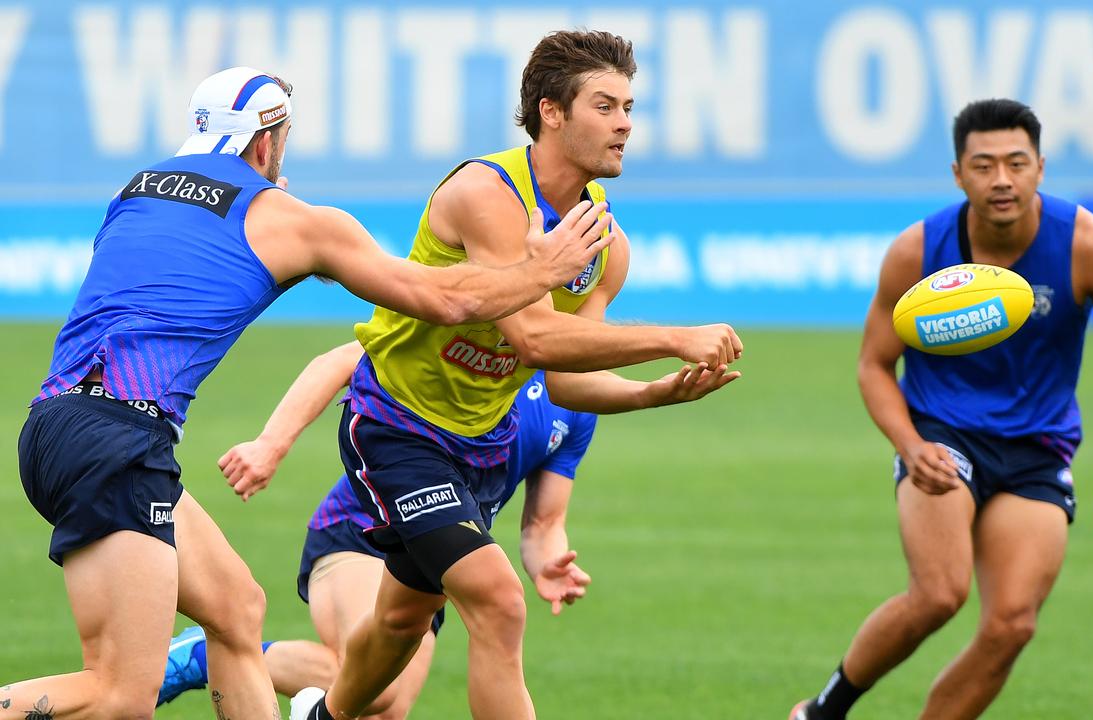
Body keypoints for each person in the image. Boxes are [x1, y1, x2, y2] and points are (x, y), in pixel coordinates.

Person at [3, 65, 612, 720]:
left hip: (56, 426)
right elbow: (443, 299)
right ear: (267, 144)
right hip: (117, 439)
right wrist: (542, 270)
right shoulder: (292, 220)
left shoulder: (139, 189)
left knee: (236, 611)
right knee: (121, 697)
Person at [290, 30, 743, 720]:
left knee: (401, 623)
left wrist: (655, 394)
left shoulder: (605, 242)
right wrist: (674, 337)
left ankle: (323, 717)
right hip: (397, 428)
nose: (625, 123)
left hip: (482, 446)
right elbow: (532, 336)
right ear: (551, 111)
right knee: (499, 602)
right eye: (605, 105)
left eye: (629, 106)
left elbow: (561, 378)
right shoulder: (488, 192)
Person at [789, 98, 1093, 720]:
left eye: (1016, 163)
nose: (1001, 180)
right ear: (958, 174)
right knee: (939, 594)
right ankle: (825, 711)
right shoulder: (918, 251)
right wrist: (910, 446)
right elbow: (873, 366)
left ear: (1040, 168)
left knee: (1013, 624)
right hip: (943, 438)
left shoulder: (1088, 247)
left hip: (1037, 449)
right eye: (984, 165)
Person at [158, 340, 738, 717]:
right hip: (364, 527)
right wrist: (272, 442)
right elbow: (340, 362)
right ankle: (207, 656)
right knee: (373, 687)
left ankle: (300, 703)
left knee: (384, 707)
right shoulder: (477, 322)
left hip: (447, 545)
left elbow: (543, 523)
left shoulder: (576, 403)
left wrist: (548, 561)